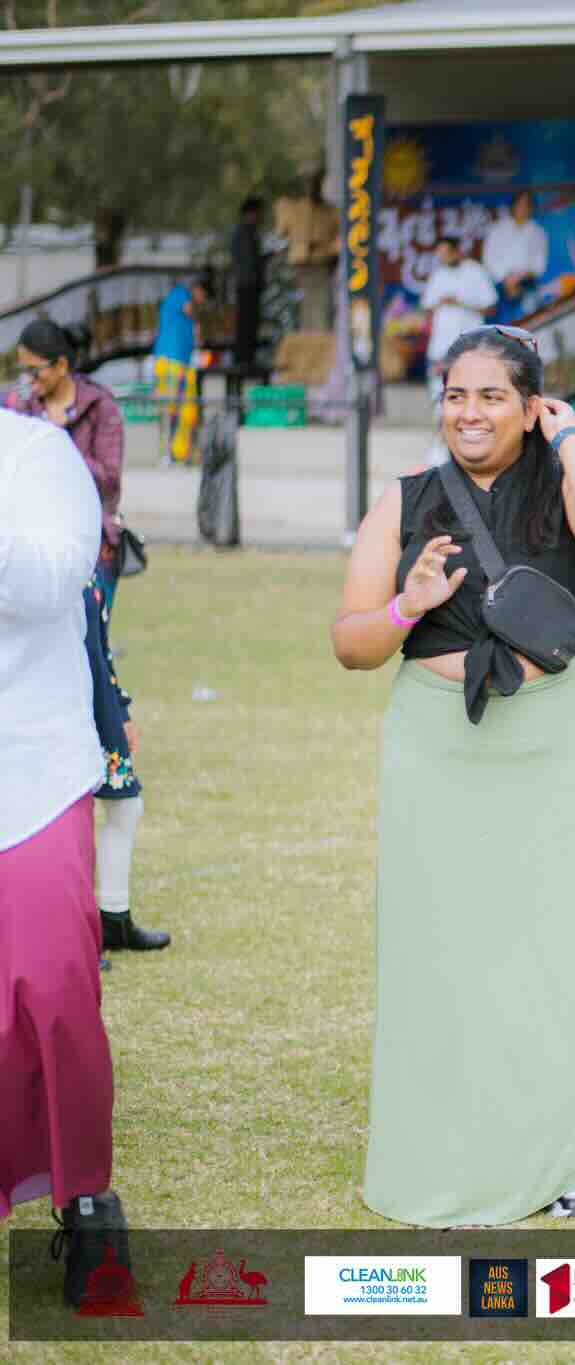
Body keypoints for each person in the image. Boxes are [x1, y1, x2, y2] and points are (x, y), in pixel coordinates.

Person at [330, 326, 575, 1224]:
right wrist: (410, 604)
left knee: (556, 946)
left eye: (492, 396)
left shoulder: (565, 482)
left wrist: (573, 436)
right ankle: (451, 1142)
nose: (469, 412)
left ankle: (565, 1156)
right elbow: (351, 643)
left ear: (530, 406)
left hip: (549, 734)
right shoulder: (405, 502)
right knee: (443, 947)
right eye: (455, 395)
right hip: (436, 741)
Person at [0, 406, 135, 1302]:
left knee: (52, 989)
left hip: (33, 765)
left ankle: (86, 1199)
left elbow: (54, 581)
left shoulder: (39, 454)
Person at [8, 320, 166, 954]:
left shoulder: (98, 408)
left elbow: (106, 478)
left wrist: (45, 450)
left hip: (86, 565)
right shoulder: (15, 411)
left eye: (37, 368)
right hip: (41, 606)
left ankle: (109, 916)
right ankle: (94, 921)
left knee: (95, 662)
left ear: (64, 364)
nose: (27, 381)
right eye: (21, 369)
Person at [419, 238, 498, 397]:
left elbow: (490, 309)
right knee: (439, 388)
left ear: (457, 252)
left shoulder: (476, 272)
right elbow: (426, 308)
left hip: (470, 342)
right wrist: (440, 303)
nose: (442, 258)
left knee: (471, 386)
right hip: (441, 343)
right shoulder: (438, 274)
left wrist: (460, 303)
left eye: (445, 254)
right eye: (439, 254)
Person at [273, 172, 341, 333]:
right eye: (308, 183)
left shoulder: (329, 210)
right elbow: (282, 230)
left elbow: (337, 237)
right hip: (303, 263)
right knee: (308, 307)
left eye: (314, 183)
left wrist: (328, 250)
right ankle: (310, 341)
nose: (311, 188)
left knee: (322, 307)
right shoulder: (294, 208)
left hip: (322, 263)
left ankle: (318, 341)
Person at [151, 275, 207, 465]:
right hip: (169, 361)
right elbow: (190, 309)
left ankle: (180, 453)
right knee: (169, 408)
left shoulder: (188, 316)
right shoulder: (180, 294)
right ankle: (165, 453)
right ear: (196, 289)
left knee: (186, 410)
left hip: (182, 362)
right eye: (203, 294)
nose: (203, 299)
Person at [482, 191, 549, 317]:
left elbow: (540, 264)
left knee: (532, 322)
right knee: (505, 328)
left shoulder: (538, 232)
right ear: (513, 206)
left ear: (532, 208)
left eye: (527, 205)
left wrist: (521, 276)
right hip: (501, 285)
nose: (523, 208)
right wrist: (506, 279)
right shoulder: (497, 229)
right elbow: (489, 258)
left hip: (527, 284)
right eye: (520, 204)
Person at [230, 196, 266, 375]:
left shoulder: (249, 232)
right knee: (246, 323)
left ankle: (247, 358)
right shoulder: (243, 233)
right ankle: (244, 360)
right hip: (246, 285)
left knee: (251, 323)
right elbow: (248, 261)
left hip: (250, 284)